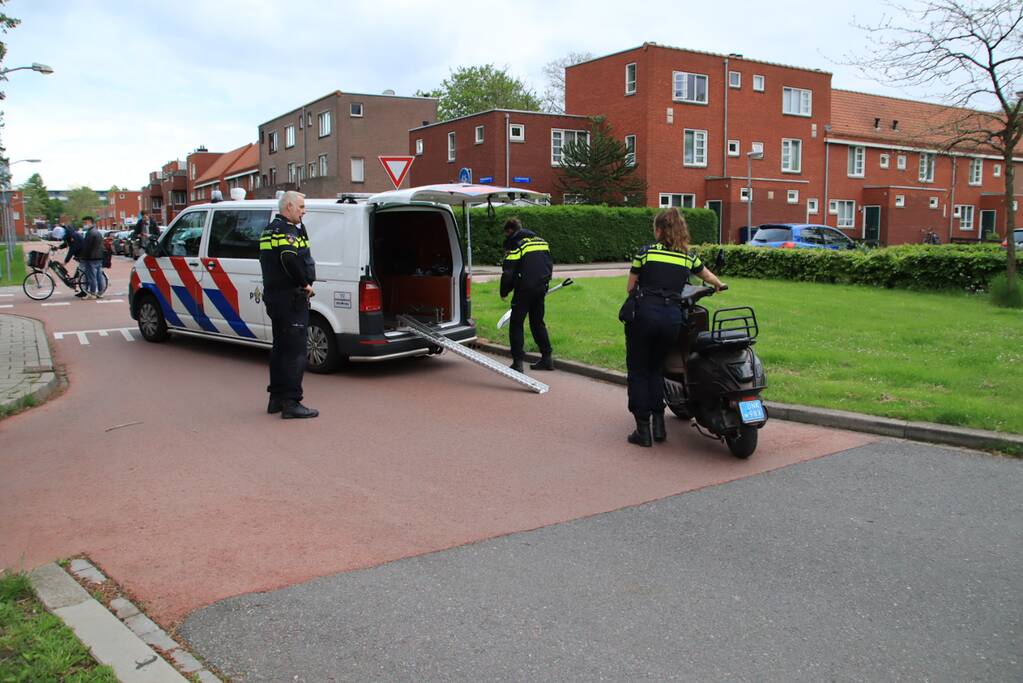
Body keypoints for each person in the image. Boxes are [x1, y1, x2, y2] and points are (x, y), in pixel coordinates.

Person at [624, 208, 724, 447]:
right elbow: (707, 275)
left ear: (659, 230)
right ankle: (660, 427)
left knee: (639, 371)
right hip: (671, 318)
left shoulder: (645, 253)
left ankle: (643, 431)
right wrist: (719, 284)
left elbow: (630, 287)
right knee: (657, 369)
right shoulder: (687, 256)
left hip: (645, 316)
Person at [259, 191, 318, 419]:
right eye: (301, 207)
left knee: (280, 349)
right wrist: (305, 283)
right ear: (289, 207)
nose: (304, 211)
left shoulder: (270, 229)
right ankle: (291, 402)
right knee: (295, 352)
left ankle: (276, 398)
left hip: (275, 297)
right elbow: (288, 257)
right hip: (290, 299)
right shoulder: (286, 230)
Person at [500, 217, 554, 373]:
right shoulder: (541, 242)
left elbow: (508, 272)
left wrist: (504, 291)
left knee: (516, 324)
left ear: (510, 231)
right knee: (537, 323)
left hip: (524, 290)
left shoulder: (517, 245)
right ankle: (547, 358)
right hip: (541, 288)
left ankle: (517, 363)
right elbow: (549, 264)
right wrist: (545, 283)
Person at [78, 216, 105, 300]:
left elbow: (87, 247)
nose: (84, 225)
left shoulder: (90, 233)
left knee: (91, 276)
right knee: (99, 276)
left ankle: (92, 293)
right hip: (99, 257)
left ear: (91, 223)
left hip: (91, 258)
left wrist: (82, 257)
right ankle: (100, 292)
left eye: (85, 223)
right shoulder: (97, 232)